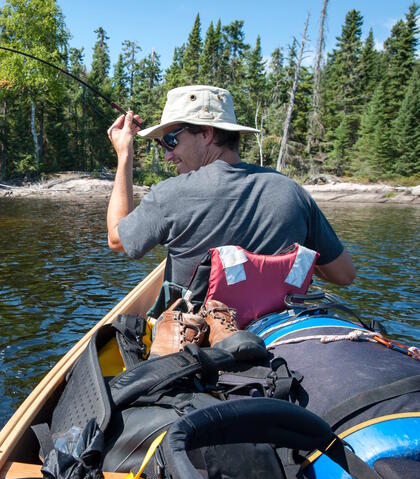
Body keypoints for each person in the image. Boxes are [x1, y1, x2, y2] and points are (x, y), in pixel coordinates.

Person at [105, 85, 355, 355]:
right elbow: (344, 275)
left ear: (207, 134)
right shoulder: (292, 191)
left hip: (198, 351)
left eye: (171, 140)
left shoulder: (171, 194)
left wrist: (124, 155)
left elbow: (117, 239)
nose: (166, 154)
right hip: (280, 341)